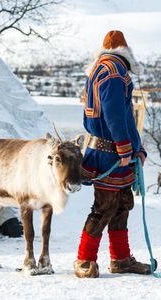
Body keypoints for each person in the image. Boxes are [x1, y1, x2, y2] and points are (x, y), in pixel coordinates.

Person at [73, 30, 151, 278]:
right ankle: (84, 260)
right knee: (104, 207)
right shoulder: (115, 72)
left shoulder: (101, 68)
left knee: (121, 206)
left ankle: (121, 259)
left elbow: (122, 115)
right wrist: (126, 148)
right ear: (126, 51)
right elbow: (115, 114)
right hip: (112, 152)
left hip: (113, 151)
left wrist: (136, 148)